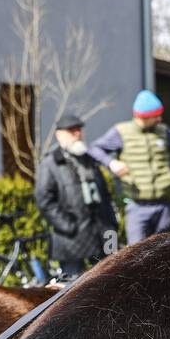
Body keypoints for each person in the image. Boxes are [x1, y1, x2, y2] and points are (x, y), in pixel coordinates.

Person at [88, 90, 170, 244]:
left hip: (164, 205)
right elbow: (95, 148)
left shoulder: (163, 131)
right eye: (156, 116)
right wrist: (112, 163)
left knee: (167, 252)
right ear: (143, 116)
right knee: (136, 256)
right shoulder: (122, 132)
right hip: (137, 207)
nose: (159, 119)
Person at [36, 112, 118, 279]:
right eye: (71, 131)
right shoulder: (50, 164)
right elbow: (44, 200)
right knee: (72, 291)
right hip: (71, 238)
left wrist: (111, 223)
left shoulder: (89, 159)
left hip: (102, 234)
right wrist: (68, 225)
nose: (77, 134)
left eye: (79, 130)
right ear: (59, 135)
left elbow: (104, 194)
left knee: (108, 282)